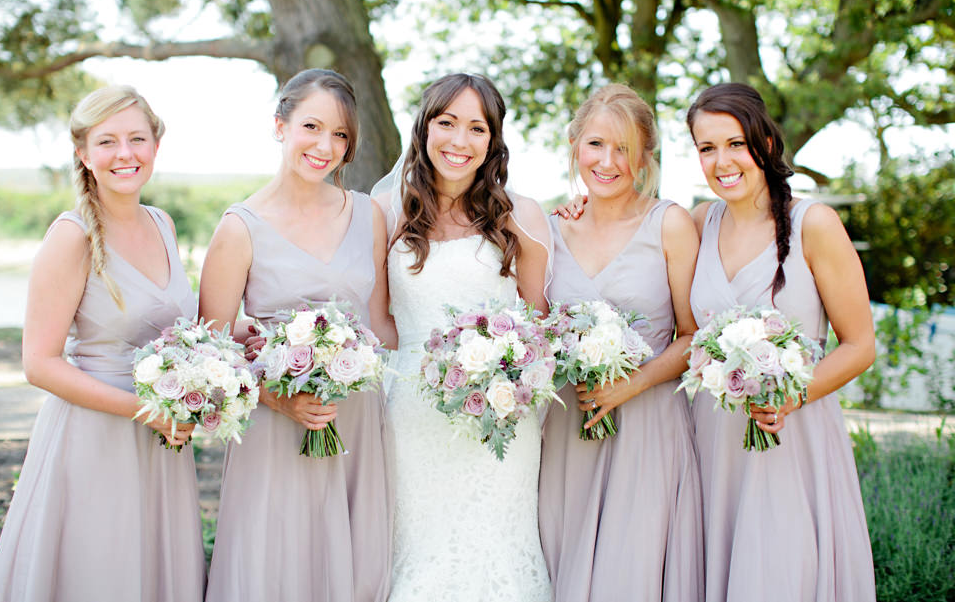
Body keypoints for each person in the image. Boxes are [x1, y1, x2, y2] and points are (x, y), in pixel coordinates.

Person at [0, 86, 204, 602]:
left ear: (156, 145)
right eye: (107, 141)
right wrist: (144, 411)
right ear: (83, 153)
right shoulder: (71, 236)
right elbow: (39, 363)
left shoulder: (162, 224)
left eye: (137, 139)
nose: (125, 153)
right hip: (95, 438)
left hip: (163, 440)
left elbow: (179, 326)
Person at [200, 68, 395, 602]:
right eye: (312, 126)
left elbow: (380, 324)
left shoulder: (368, 214)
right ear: (280, 125)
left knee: (356, 571)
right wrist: (276, 398)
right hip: (277, 424)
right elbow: (211, 351)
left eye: (340, 135)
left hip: (357, 420)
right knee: (277, 568)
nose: (325, 147)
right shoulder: (240, 227)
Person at [686, 83, 876, 601]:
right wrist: (578, 208)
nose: (722, 161)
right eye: (707, 148)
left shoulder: (815, 223)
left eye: (735, 143)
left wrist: (792, 396)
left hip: (792, 433)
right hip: (713, 439)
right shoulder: (699, 222)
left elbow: (860, 345)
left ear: (766, 144)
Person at [374, 73, 553, 601]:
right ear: (424, 128)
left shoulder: (521, 215)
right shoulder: (386, 212)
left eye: (477, 128)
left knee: (497, 551)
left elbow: (539, 325)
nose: (460, 140)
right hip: (412, 414)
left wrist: (505, 375)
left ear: (493, 139)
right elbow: (378, 322)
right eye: (447, 123)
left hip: (501, 418)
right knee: (420, 552)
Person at [538, 84, 704, 601]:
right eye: (595, 144)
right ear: (574, 145)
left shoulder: (669, 224)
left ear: (645, 157)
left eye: (624, 149)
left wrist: (631, 384)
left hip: (647, 428)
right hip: (568, 430)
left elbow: (694, 336)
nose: (607, 162)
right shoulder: (549, 229)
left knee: (632, 574)